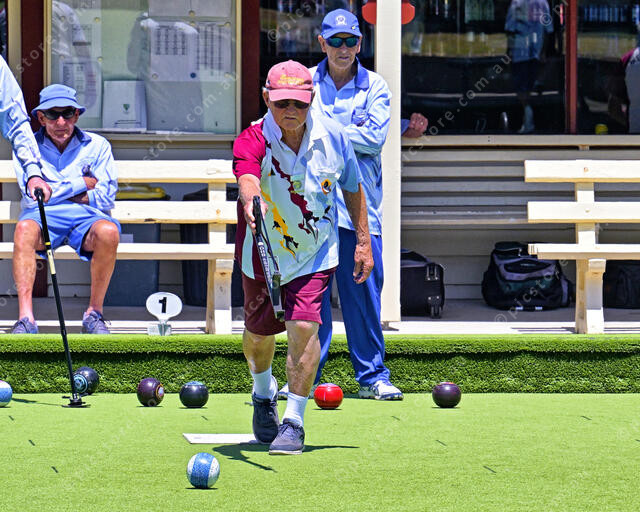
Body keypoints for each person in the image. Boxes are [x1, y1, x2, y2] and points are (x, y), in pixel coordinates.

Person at [233, 60, 372, 455]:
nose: (291, 110)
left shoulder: (335, 136)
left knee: (303, 326)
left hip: (314, 252)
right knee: (259, 335)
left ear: (312, 99)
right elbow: (247, 177)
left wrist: (363, 241)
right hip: (262, 251)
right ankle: (263, 393)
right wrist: (252, 200)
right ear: (267, 99)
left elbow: (352, 187)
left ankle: (293, 421)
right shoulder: (252, 137)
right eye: (282, 103)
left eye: (299, 102)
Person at [279, 8, 403, 401]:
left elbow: (375, 140)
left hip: (360, 210)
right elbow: (290, 127)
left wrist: (323, 128)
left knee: (363, 297)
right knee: (310, 301)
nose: (343, 48)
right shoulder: (304, 81)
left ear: (360, 44)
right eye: (335, 40)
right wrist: (348, 131)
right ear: (322, 43)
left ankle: (373, 378)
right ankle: (304, 380)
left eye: (350, 40)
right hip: (310, 208)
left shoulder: (376, 86)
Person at [11, 84, 120, 334]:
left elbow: (106, 197)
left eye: (68, 113)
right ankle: (26, 319)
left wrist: (52, 191)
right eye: (52, 114)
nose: (61, 122)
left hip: (87, 219)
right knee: (24, 229)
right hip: (42, 218)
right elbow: (33, 199)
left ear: (77, 115)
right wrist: (82, 183)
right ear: (41, 118)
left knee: (109, 232)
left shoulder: (98, 145)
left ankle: (94, 314)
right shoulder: (27, 146)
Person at [504, 0, 553, 134]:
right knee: (529, 85)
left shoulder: (517, 3)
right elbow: (548, 30)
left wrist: (509, 52)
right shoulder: (543, 3)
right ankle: (528, 117)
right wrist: (543, 51)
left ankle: (528, 117)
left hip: (520, 51)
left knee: (521, 87)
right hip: (536, 50)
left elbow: (510, 29)